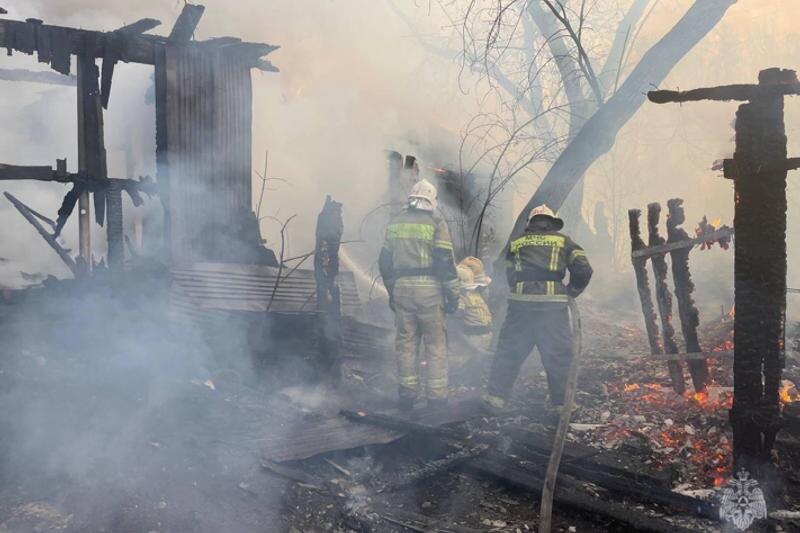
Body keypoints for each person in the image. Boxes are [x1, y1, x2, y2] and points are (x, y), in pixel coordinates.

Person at [483, 205, 593, 413]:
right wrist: (572, 290)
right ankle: (561, 405)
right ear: (551, 222)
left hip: (520, 307)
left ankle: (495, 399)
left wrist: (519, 287)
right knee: (558, 356)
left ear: (530, 223)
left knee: (509, 352)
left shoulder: (517, 243)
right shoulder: (564, 242)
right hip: (552, 310)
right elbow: (584, 269)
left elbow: (508, 272)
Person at [379, 179, 460, 410]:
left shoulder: (395, 222)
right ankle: (436, 398)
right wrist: (453, 295)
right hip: (430, 292)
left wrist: (393, 290)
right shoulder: (436, 222)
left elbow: (384, 261)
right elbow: (445, 262)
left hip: (403, 290)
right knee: (435, 345)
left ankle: (407, 394)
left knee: (406, 344)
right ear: (432, 200)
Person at [453, 263, 493, 352]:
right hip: (478, 337)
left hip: (478, 337)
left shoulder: (468, 295)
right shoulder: (468, 295)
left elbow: (457, 317)